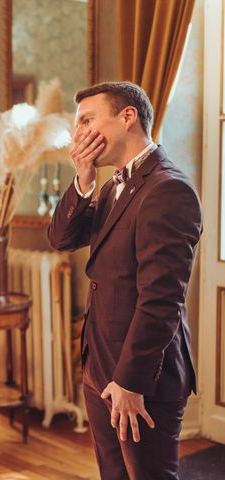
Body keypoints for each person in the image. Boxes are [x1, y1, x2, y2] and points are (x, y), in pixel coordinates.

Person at [48, 81, 202, 479]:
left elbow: (161, 300)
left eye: (87, 120)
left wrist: (129, 381)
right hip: (99, 366)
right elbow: (60, 238)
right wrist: (82, 180)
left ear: (127, 117)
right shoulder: (116, 184)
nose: (78, 133)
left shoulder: (168, 190)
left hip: (141, 376)